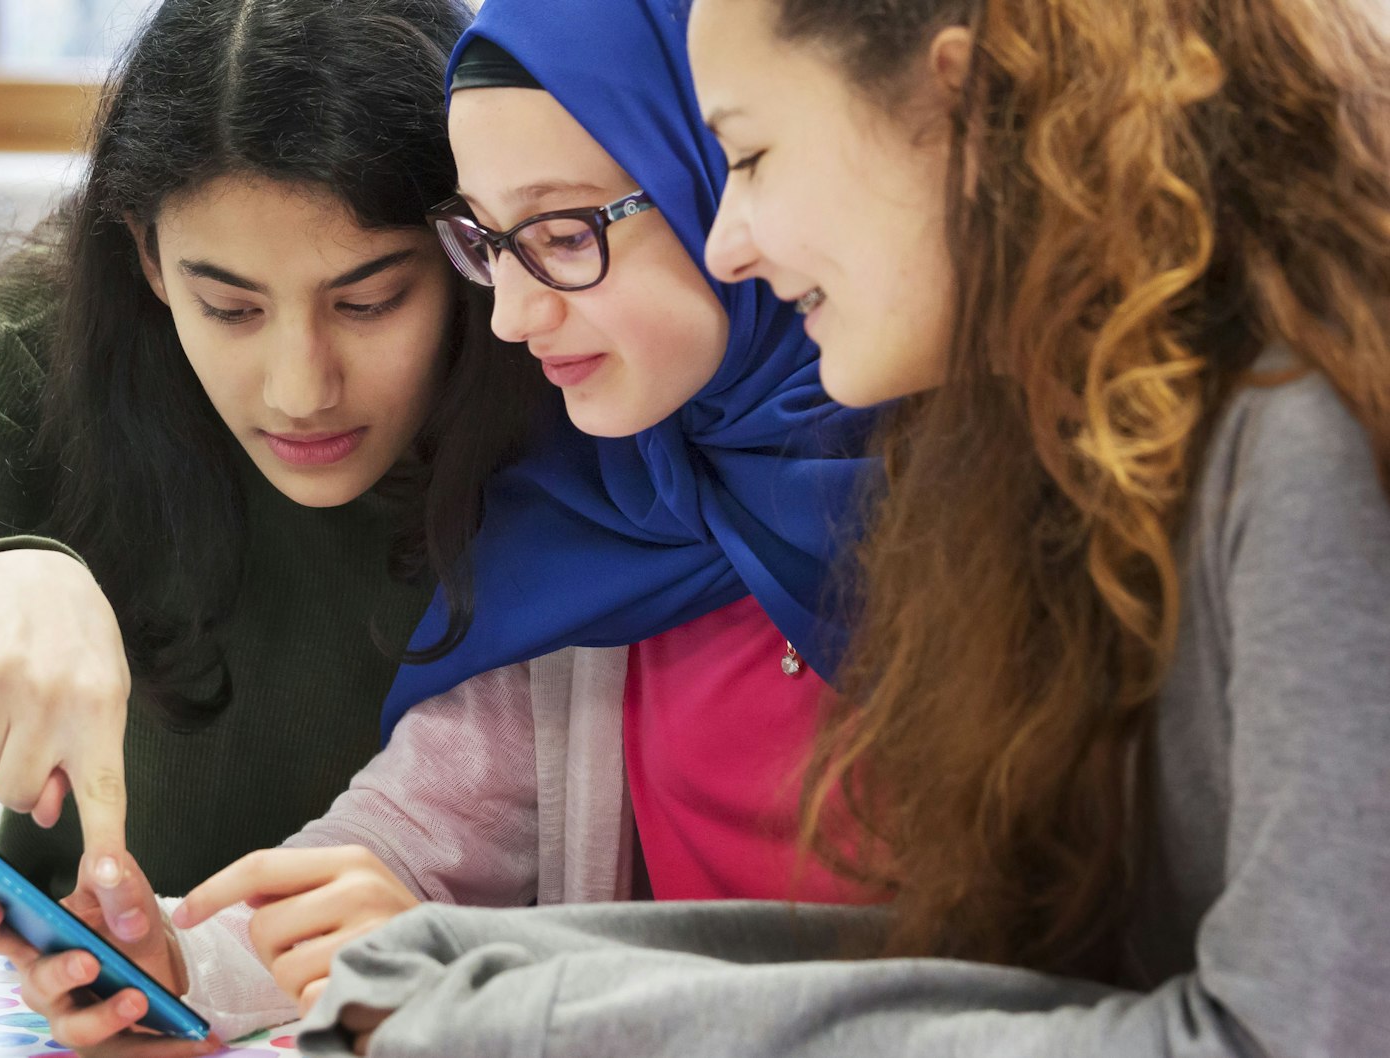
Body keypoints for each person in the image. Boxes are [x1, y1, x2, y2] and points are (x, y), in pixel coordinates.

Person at [296, 0, 1390, 1054]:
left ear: (953, 113)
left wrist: (542, 1019)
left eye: (750, 156)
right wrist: (485, 974)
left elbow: (1290, 1035)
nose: (728, 242)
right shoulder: (1061, 432)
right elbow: (1011, 977)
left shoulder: (1295, 428)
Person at [0, 0, 879, 1048]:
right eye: (489, 245)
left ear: (715, 181)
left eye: (563, 235)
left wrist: (499, 977)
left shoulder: (976, 512)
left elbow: (1003, 968)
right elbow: (413, 843)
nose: (509, 316)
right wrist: (186, 963)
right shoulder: (595, 503)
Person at [0, 0, 542, 928]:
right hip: (103, 995)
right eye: (231, 309)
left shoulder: (556, 363)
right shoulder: (41, 347)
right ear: (148, 256)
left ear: (469, 247)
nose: (300, 389)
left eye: (368, 302)